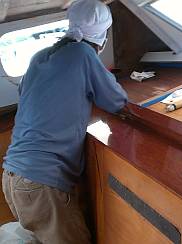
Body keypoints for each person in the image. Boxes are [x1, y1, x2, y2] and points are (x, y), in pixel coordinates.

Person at [1, 0, 128, 243]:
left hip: (13, 176)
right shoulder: (82, 53)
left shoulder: (40, 56)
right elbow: (116, 100)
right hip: (41, 182)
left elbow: (32, 98)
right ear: (102, 35)